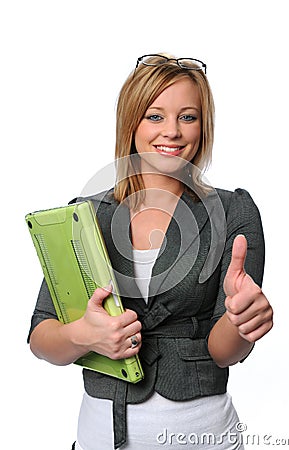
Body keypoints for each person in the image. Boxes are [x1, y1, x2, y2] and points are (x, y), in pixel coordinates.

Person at [28, 54, 273, 450]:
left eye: (188, 117)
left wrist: (240, 321)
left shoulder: (232, 212)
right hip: (98, 440)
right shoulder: (84, 216)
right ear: (131, 124)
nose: (172, 132)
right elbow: (42, 336)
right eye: (155, 116)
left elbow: (224, 351)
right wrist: (83, 335)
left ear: (204, 125)